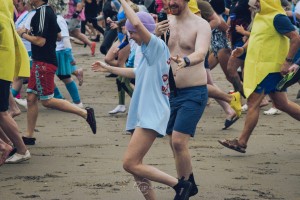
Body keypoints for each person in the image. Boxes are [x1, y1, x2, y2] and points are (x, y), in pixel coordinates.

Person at [92, 1, 192, 199]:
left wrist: (122, 1)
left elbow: (137, 24)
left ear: (144, 31)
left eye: (133, 33)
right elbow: (138, 72)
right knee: (135, 167)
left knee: (129, 163)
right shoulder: (149, 52)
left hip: (151, 112)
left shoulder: (155, 45)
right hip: (142, 111)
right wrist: (109, 68)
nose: (131, 37)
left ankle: (180, 185)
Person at [218, 0, 300, 153]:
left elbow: (295, 37)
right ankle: (241, 142)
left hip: (270, 68)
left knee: (253, 102)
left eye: (257, 1)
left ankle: (241, 142)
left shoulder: (277, 17)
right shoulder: (260, 16)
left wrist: (287, 62)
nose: (254, 3)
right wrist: (242, 49)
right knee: (283, 104)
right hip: (260, 67)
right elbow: (255, 37)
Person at [16, 0, 96, 146]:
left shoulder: (42, 13)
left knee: (47, 101)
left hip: (43, 63)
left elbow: (40, 41)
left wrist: (23, 34)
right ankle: (29, 135)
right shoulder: (49, 11)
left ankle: (85, 113)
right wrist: (31, 33)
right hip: (42, 61)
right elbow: (58, 35)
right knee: (31, 98)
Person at [156, 0, 211, 196]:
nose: (171, 2)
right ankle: (190, 183)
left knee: (179, 142)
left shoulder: (200, 25)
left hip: (194, 91)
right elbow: (156, 52)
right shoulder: (165, 23)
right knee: (173, 142)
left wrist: (186, 60)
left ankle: (183, 189)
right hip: (170, 92)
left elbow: (201, 52)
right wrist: (154, 36)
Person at [0, 0, 31, 163]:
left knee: (2, 113)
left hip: (2, 68)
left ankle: (20, 149)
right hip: (3, 67)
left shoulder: (2, 18)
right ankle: (9, 145)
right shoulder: (5, 15)